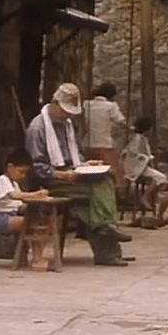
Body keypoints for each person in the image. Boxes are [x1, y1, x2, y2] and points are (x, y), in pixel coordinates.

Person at [25, 83, 133, 267]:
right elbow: (37, 168)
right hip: (52, 180)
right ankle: (106, 233)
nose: (68, 116)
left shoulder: (66, 126)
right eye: (65, 111)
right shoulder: (38, 128)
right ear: (55, 103)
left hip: (71, 171)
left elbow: (74, 155)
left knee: (107, 177)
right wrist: (63, 176)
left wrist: (85, 164)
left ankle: (106, 232)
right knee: (99, 190)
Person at [0, 148, 50, 270]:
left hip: (11, 214)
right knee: (32, 224)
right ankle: (37, 259)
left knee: (42, 222)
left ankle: (38, 257)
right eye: (21, 172)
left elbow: (20, 203)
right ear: (10, 167)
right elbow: (13, 195)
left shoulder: (14, 184)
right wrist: (34, 194)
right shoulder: (2, 180)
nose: (23, 176)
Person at [82, 82, 129, 191]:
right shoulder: (111, 106)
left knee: (90, 171)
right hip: (104, 144)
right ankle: (117, 192)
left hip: (88, 143)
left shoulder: (87, 104)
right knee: (116, 171)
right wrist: (129, 127)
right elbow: (120, 121)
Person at [121, 117, 168, 216]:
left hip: (139, 166)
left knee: (156, 179)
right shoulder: (138, 138)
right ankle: (145, 197)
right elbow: (133, 152)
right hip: (137, 167)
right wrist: (146, 158)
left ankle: (148, 196)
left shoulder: (138, 137)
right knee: (163, 178)